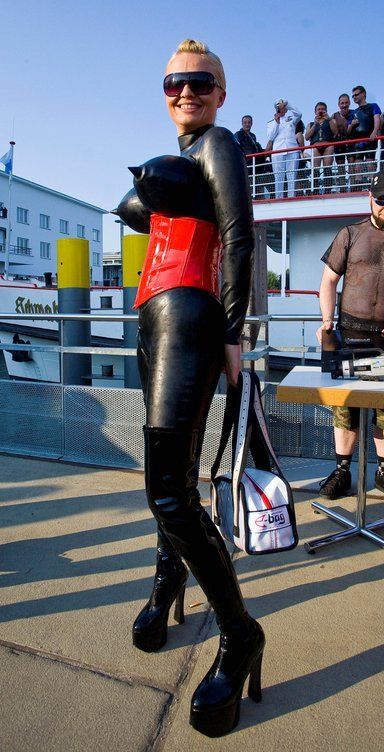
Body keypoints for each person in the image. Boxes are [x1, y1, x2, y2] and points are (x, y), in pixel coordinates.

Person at [116, 38, 264, 738]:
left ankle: (240, 635)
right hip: (154, 316)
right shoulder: (186, 153)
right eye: (173, 81)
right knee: (170, 477)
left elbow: (239, 236)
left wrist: (235, 333)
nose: (185, 91)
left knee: (168, 491)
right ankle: (168, 579)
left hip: (191, 314)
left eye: (201, 82)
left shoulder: (220, 143)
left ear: (221, 93)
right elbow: (135, 208)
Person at [316, 169, 384, 505]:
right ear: (370, 198)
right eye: (382, 201)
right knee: (345, 407)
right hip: (349, 335)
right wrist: (326, 320)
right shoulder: (349, 234)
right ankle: (342, 471)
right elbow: (328, 281)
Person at [266, 98, 302, 198]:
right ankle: (279, 198)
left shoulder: (291, 118)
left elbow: (299, 114)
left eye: (283, 106)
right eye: (280, 106)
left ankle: (291, 197)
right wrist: (276, 123)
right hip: (278, 152)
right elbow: (270, 137)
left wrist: (287, 104)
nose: (282, 108)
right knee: (279, 178)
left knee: (292, 177)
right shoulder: (271, 123)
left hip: (292, 150)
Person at [347, 85, 381, 190]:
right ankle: (358, 187)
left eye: (356, 95)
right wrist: (351, 124)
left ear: (363, 94)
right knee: (358, 166)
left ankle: (372, 186)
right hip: (357, 141)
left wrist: (374, 132)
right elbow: (348, 130)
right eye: (353, 96)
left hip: (369, 138)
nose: (354, 97)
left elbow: (377, 119)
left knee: (370, 164)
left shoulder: (373, 106)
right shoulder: (353, 112)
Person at [305, 102, 338, 194]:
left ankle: (328, 190)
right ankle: (315, 190)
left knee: (327, 168)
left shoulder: (331, 120)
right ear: (315, 112)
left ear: (326, 110)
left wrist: (329, 119)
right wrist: (315, 124)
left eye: (323, 109)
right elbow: (306, 137)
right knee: (315, 169)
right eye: (318, 109)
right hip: (316, 146)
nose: (320, 111)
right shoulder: (311, 124)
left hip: (328, 145)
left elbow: (335, 132)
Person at [234, 115, 268, 197]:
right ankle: (251, 198)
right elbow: (236, 147)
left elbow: (255, 148)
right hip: (247, 164)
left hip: (255, 165)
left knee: (258, 182)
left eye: (249, 122)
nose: (247, 124)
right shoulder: (239, 134)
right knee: (248, 184)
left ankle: (259, 197)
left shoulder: (253, 136)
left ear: (251, 123)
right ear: (242, 123)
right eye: (245, 122)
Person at [332, 93, 354, 192]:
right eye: (342, 103)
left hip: (351, 142)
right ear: (339, 104)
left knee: (352, 165)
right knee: (340, 166)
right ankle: (342, 188)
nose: (344, 105)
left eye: (346, 103)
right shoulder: (334, 116)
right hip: (339, 143)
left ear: (349, 103)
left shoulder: (354, 113)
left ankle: (354, 188)